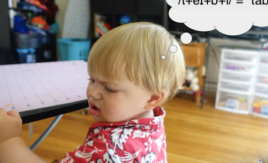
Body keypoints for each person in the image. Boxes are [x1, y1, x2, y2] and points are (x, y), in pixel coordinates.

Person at [0, 22, 186, 163]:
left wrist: (8, 140)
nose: (93, 92)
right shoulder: (151, 121)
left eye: (110, 88)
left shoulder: (111, 150)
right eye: (92, 80)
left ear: (153, 98)